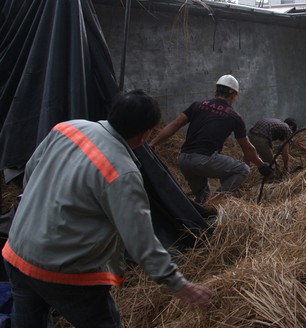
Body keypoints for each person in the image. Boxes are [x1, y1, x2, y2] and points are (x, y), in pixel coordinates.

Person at [2, 90, 212, 328]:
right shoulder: (121, 172)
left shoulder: (67, 128)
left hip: (16, 250)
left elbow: (30, 171)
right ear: (145, 134)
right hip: (63, 273)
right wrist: (177, 283)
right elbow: (140, 240)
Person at [149, 75, 271, 203]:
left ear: (216, 92)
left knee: (202, 196)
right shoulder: (234, 116)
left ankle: (202, 211)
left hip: (184, 160)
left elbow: (175, 124)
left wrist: (152, 143)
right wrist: (261, 165)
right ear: (233, 96)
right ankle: (214, 203)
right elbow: (247, 148)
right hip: (204, 160)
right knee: (243, 169)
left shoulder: (198, 105)